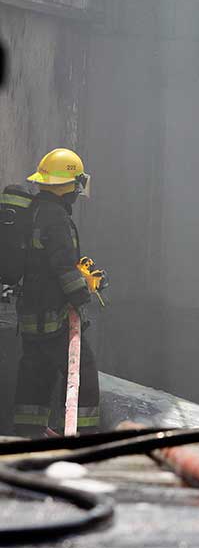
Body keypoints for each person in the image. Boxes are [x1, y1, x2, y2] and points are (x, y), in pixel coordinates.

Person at [14, 148, 99, 436]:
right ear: (71, 185)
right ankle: (85, 439)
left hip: (31, 316)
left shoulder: (35, 211)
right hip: (55, 317)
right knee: (83, 374)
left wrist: (84, 277)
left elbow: (46, 264)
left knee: (35, 379)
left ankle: (27, 438)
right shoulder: (56, 217)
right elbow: (62, 266)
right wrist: (82, 297)